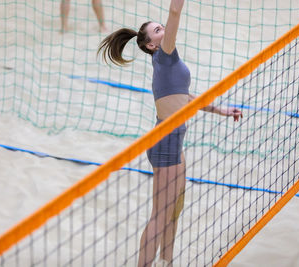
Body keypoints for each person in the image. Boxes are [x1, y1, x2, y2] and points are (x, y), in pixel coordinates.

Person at [97, 0, 242, 266]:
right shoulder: (164, 54)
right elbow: (175, 11)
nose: (163, 29)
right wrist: (175, 10)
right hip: (166, 143)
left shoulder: (167, 62)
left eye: (161, 27)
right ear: (152, 45)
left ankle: (167, 260)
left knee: (174, 209)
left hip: (173, 142)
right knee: (160, 215)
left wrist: (221, 110)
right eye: (158, 30)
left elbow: (184, 97)